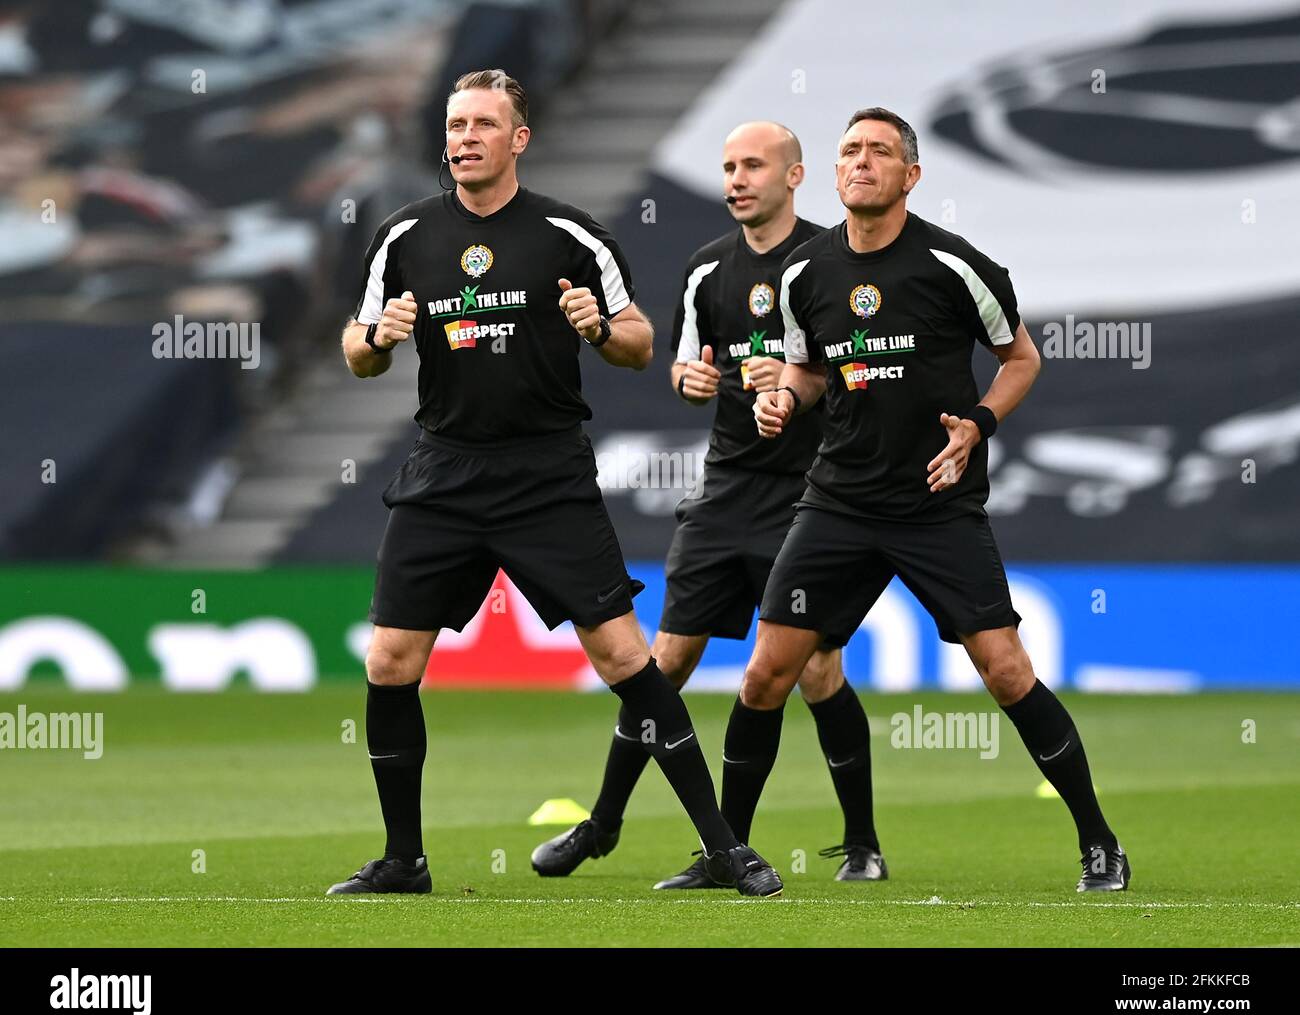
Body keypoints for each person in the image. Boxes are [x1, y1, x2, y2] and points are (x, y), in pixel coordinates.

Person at [328, 69, 782, 897]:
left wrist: (601, 328)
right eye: (455, 124)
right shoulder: (403, 239)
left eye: (482, 125)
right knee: (391, 658)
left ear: (518, 139)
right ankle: (403, 860)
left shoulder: (573, 237)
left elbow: (642, 344)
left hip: (545, 473)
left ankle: (723, 847)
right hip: (443, 472)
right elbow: (356, 353)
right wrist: (379, 337)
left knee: (622, 655)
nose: (463, 138)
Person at [748, 107, 1129, 892]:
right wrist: (783, 399)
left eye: (878, 152)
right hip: (839, 501)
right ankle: (733, 852)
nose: (860, 162)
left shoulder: (956, 266)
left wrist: (979, 425)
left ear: (910, 176)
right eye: (848, 149)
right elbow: (812, 369)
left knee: (1005, 669)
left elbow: (1021, 359)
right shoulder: (802, 275)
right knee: (767, 677)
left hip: (935, 501)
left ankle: (1100, 843)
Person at [531, 122, 888, 888]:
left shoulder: (832, 263)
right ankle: (604, 825)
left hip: (812, 496)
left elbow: (859, 374)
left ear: (794, 177)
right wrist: (690, 383)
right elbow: (686, 367)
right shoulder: (705, 270)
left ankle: (859, 841)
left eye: (752, 165)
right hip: (725, 492)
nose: (735, 178)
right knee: (664, 665)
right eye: (727, 166)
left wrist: (793, 387)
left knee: (815, 667)